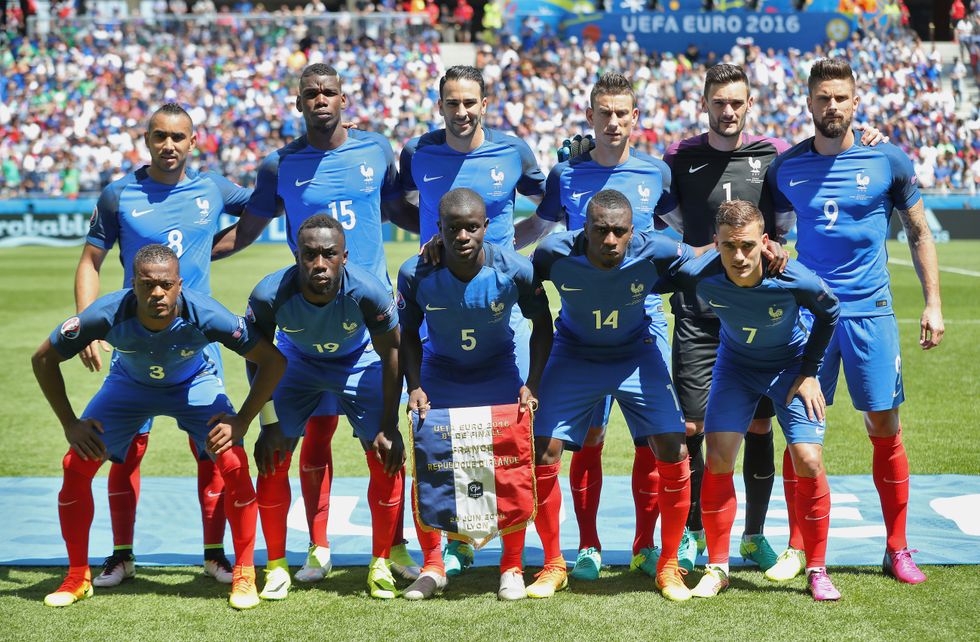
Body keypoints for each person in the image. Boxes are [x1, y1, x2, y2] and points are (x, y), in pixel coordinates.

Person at [658, 63, 883, 576]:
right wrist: (702, 255)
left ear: (750, 105)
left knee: (760, 425)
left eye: (736, 102)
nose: (728, 111)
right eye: (719, 102)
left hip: (760, 309)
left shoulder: (774, 155)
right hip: (701, 310)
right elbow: (665, 217)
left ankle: (754, 536)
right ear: (704, 103)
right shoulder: (678, 156)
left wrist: (869, 137)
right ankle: (695, 532)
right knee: (695, 426)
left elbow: (789, 210)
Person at [211, 63, 420, 585]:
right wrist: (190, 259)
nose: (321, 99)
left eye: (329, 92)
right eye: (311, 93)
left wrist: (452, 229)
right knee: (312, 439)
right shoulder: (279, 165)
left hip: (366, 323)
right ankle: (317, 547)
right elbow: (247, 231)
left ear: (344, 99)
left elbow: (398, 210)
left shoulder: (376, 150)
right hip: (304, 326)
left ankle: (392, 546)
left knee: (383, 445)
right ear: (299, 102)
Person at [768, 57, 944, 585]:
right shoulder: (786, 168)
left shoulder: (887, 158)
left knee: (884, 427)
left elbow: (919, 232)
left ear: (856, 100)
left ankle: (897, 548)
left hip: (872, 314)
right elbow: (772, 238)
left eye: (841, 97)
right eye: (823, 97)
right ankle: (797, 547)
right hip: (809, 318)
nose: (832, 106)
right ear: (808, 102)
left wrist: (933, 303)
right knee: (801, 433)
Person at [32, 244, 285, 610]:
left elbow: (273, 361)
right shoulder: (104, 314)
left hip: (193, 384)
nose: (157, 293)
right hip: (128, 386)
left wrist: (242, 420)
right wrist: (70, 424)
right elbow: (43, 358)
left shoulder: (207, 314)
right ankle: (77, 577)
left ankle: (245, 573)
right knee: (75, 465)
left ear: (179, 285)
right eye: (147, 284)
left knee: (232, 460)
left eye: (166, 285)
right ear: (133, 285)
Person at [77, 102, 252, 587]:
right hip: (135, 342)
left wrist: (218, 247)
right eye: (160, 136)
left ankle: (215, 554)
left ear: (193, 142)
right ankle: (121, 555)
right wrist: (86, 325)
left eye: (178, 137)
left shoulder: (213, 188)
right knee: (126, 451)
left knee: (211, 449)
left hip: (198, 343)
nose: (169, 145)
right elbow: (90, 261)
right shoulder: (119, 194)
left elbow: (264, 206)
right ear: (147, 140)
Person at [523, 72, 677, 581]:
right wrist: (485, 249)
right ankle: (587, 545)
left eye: (621, 112)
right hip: (582, 324)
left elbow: (681, 233)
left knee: (651, 440)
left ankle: (645, 545)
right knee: (589, 436)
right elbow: (541, 230)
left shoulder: (656, 173)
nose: (613, 121)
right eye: (604, 112)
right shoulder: (566, 174)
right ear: (590, 116)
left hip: (643, 320)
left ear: (636, 117)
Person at [400, 64, 547, 574]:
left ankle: (504, 550)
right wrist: (435, 243)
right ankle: (455, 542)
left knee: (504, 434)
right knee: (443, 437)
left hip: (500, 301)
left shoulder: (513, 151)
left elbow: (549, 204)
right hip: (442, 295)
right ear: (440, 105)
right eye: (452, 103)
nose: (461, 112)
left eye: (470, 102)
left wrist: (511, 247)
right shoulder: (417, 152)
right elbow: (396, 203)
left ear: (485, 104)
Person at [660, 200, 842, 601]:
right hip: (736, 367)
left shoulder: (792, 277)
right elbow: (654, 272)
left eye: (747, 245)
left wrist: (810, 371)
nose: (739, 256)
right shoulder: (697, 274)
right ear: (716, 243)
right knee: (719, 456)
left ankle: (817, 568)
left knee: (809, 459)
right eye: (728, 246)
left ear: (765, 242)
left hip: (790, 366)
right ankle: (718, 568)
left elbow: (830, 311)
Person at [528, 189, 697, 602]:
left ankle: (668, 564)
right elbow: (519, 276)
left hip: (635, 353)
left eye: (619, 232)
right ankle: (554, 564)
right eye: (600, 230)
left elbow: (703, 258)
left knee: (674, 447)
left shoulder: (655, 248)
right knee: (543, 450)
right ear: (583, 228)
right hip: (574, 353)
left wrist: (759, 248)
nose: (610, 240)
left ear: (632, 232)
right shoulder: (553, 251)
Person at [397, 188, 553, 601]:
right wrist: (415, 386)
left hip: (497, 372)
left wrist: (533, 382)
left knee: (510, 467)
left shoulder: (515, 269)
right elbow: (407, 333)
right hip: (441, 374)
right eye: (453, 228)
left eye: (471, 227)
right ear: (439, 229)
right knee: (431, 466)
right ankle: (433, 567)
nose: (463, 236)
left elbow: (544, 325)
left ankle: (511, 566)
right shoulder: (415, 273)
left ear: (486, 227)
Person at [245, 215, 406, 600]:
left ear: (344, 257)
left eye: (329, 254)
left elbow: (392, 353)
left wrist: (389, 424)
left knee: (384, 454)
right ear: (297, 256)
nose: (319, 264)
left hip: (356, 362)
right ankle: (277, 566)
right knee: (273, 455)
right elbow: (256, 357)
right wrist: (268, 423)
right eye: (310, 255)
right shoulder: (269, 294)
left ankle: (381, 563)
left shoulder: (368, 292)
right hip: (296, 363)